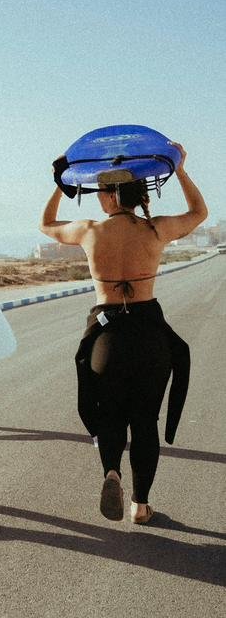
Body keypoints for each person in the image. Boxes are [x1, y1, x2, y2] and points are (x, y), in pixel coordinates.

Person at [39, 143, 206, 524]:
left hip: (107, 335)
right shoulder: (154, 228)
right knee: (144, 420)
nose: (97, 198)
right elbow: (200, 212)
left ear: (113, 195)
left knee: (110, 415)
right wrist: (180, 168)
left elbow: (45, 225)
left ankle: (111, 471)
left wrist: (59, 185)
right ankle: (140, 504)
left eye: (100, 192)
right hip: (148, 334)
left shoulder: (89, 231)